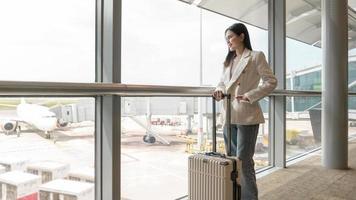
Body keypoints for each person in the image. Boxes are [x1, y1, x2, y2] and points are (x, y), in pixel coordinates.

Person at [213, 23, 277, 200]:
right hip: (228, 114)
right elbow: (222, 82)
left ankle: (250, 198)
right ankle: (234, 195)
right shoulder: (228, 61)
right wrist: (219, 89)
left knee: (244, 161)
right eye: (226, 39)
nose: (229, 42)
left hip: (247, 114)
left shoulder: (256, 56)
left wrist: (250, 95)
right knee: (232, 159)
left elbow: (270, 82)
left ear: (242, 36)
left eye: (231, 37)